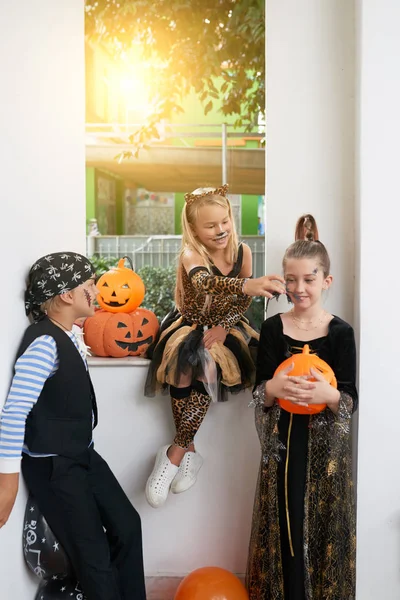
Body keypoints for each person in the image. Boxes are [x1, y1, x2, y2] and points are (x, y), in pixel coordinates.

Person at [0, 252, 146, 600]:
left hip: (82, 455)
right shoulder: (43, 344)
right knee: (93, 558)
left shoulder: (68, 335)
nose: (97, 290)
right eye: (89, 284)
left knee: (128, 526)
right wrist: (8, 484)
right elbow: (13, 413)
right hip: (54, 466)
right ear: (66, 294)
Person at [144, 184, 286, 508]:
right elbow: (204, 282)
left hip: (226, 326)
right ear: (194, 228)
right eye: (210, 225)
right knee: (184, 364)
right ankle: (188, 452)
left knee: (209, 361)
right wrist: (247, 283)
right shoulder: (191, 253)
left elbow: (241, 300)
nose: (220, 230)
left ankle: (174, 453)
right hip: (190, 323)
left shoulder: (243, 252)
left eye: (224, 221)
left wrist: (224, 326)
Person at [246, 217, 357, 600]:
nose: (298, 288)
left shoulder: (341, 333)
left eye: (309, 279)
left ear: (326, 281)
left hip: (326, 454)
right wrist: (274, 388)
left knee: (322, 528)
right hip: (285, 446)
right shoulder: (274, 328)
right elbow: (260, 392)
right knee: (287, 525)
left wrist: (329, 396)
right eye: (290, 280)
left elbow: (349, 399)